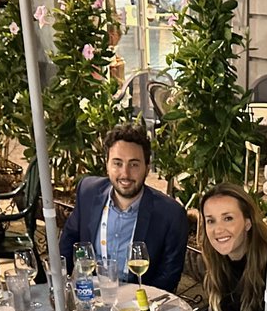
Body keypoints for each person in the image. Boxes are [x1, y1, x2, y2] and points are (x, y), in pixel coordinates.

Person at [59, 124, 187, 293]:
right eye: (117, 163)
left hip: (139, 303)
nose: (125, 174)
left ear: (147, 168)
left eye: (134, 165)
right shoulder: (88, 191)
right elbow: (67, 245)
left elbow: (168, 277)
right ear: (107, 165)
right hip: (89, 297)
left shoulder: (170, 214)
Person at [198, 182, 267, 311]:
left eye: (228, 218)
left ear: (248, 222)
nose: (218, 230)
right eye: (211, 221)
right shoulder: (215, 261)